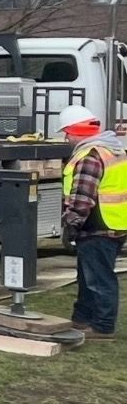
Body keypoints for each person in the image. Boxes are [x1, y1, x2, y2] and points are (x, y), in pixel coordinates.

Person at [59, 104, 127, 341]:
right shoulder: (113, 149)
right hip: (114, 223)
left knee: (99, 279)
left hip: (97, 225)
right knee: (90, 275)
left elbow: (82, 198)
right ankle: (82, 318)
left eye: (67, 132)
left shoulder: (90, 156)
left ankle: (103, 326)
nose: (66, 137)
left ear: (77, 130)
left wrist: (71, 224)